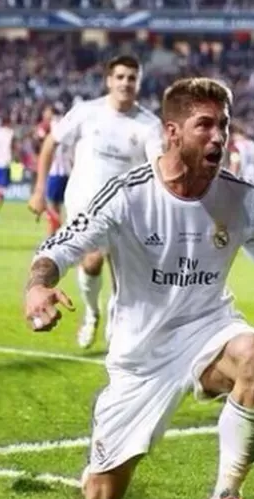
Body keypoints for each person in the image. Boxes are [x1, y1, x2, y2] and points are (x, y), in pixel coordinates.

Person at [23, 77, 254, 499]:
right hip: (140, 355)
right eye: (204, 125)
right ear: (172, 132)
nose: (218, 138)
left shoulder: (240, 197)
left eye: (223, 126)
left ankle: (226, 498)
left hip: (208, 330)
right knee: (102, 496)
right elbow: (59, 248)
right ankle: (105, 450)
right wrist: (37, 286)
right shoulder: (128, 195)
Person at [28, 55, 163, 350]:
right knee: (91, 263)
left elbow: (158, 168)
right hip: (85, 209)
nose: (126, 83)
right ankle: (91, 312)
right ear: (109, 80)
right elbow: (51, 144)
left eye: (132, 78)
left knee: (124, 279)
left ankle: (117, 331)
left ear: (139, 82)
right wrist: (39, 190)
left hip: (128, 212)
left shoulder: (150, 126)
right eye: (121, 77)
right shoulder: (87, 113)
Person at [35, 106, 72, 236]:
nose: (44, 113)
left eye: (46, 111)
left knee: (50, 207)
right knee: (57, 207)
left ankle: (59, 233)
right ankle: (54, 236)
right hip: (67, 171)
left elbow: (40, 137)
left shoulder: (50, 125)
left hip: (55, 172)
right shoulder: (67, 124)